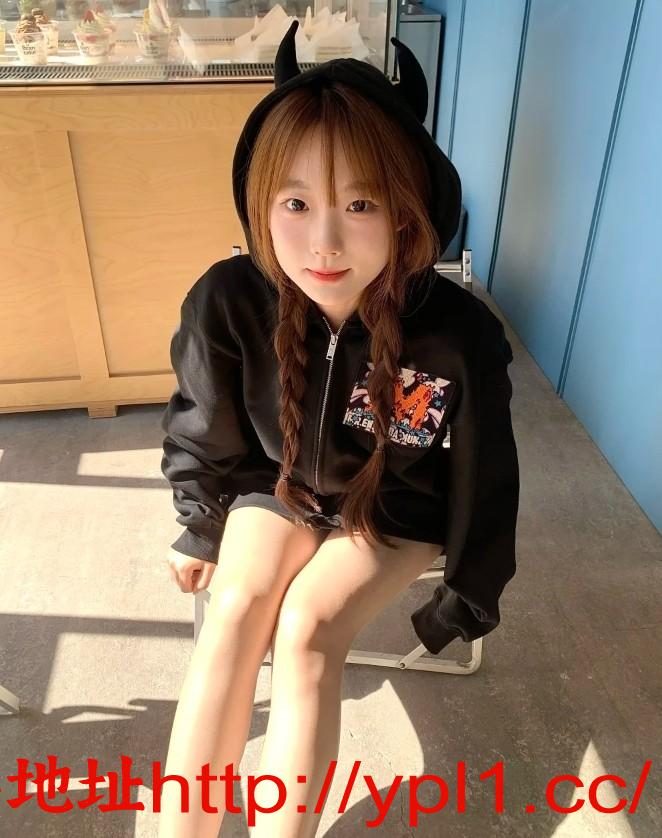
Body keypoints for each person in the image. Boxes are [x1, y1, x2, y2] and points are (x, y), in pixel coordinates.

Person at [158, 20, 519, 838]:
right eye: (296, 203)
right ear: (261, 201)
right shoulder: (228, 299)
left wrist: (468, 593)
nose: (323, 243)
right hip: (277, 482)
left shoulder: (456, 334)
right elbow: (203, 420)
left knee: (309, 630)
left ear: (407, 207)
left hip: (394, 502)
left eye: (360, 204)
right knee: (235, 612)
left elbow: (487, 473)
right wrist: (200, 522)